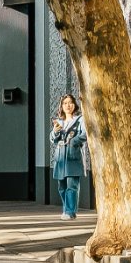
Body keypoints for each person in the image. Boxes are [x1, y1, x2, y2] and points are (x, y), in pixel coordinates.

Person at [50, 93, 89, 223]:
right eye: (65, 103)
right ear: (62, 106)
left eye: (70, 102)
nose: (68, 105)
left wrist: (74, 141)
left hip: (73, 157)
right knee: (61, 186)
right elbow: (53, 140)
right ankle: (66, 209)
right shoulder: (59, 122)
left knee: (71, 186)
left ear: (74, 105)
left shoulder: (80, 120)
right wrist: (55, 132)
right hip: (60, 159)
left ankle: (70, 212)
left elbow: (85, 134)